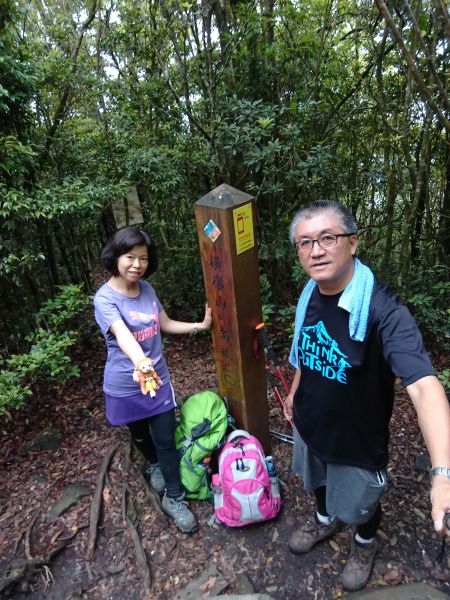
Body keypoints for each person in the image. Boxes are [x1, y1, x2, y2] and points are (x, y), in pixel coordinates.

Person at [285, 200, 450, 591]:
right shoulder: (309, 294)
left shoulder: (383, 309)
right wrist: (294, 393)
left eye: (328, 237)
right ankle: (325, 521)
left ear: (353, 243)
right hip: (311, 422)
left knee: (364, 502)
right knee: (319, 484)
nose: (316, 250)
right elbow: (303, 353)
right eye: (305, 242)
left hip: (359, 439)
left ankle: (364, 542)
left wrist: (443, 474)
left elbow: (424, 384)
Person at [94, 227, 212, 533]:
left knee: (165, 437)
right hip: (125, 382)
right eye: (130, 257)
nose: (136, 264)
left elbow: (166, 323)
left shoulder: (146, 290)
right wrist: (140, 360)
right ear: (116, 257)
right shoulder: (105, 298)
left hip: (157, 380)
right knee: (140, 435)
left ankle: (175, 498)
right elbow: (122, 334)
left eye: (143, 258)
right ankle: (155, 465)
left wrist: (200, 325)